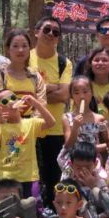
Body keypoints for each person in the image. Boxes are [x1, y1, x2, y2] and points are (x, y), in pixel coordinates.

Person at [29, 16, 73, 206]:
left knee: (54, 181)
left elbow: (64, 95)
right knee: (31, 180)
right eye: (46, 29)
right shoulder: (25, 56)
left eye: (56, 32)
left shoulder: (64, 63)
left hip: (55, 131)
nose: (50, 34)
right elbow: (21, 91)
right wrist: (51, 87)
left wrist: (36, 91)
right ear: (36, 32)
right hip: (28, 129)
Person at [0, 91, 56, 198]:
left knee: (31, 205)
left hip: (29, 176)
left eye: (13, 97)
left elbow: (51, 122)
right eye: (5, 101)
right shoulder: (1, 127)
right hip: (6, 176)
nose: (11, 102)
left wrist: (35, 103)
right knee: (7, 207)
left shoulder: (31, 123)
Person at [0, 28, 47, 108]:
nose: (20, 50)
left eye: (24, 46)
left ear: (29, 48)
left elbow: (42, 105)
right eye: (15, 46)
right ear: (8, 49)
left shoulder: (36, 77)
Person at [63, 76, 108, 150]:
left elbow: (107, 143)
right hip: (75, 157)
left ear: (92, 93)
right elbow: (68, 146)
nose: (82, 96)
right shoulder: (67, 118)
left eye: (85, 92)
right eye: (76, 93)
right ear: (71, 95)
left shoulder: (99, 118)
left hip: (94, 157)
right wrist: (75, 128)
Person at [78, 47, 109, 118]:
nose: (100, 63)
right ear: (90, 64)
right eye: (96, 60)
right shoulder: (83, 87)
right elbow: (75, 113)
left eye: (105, 60)